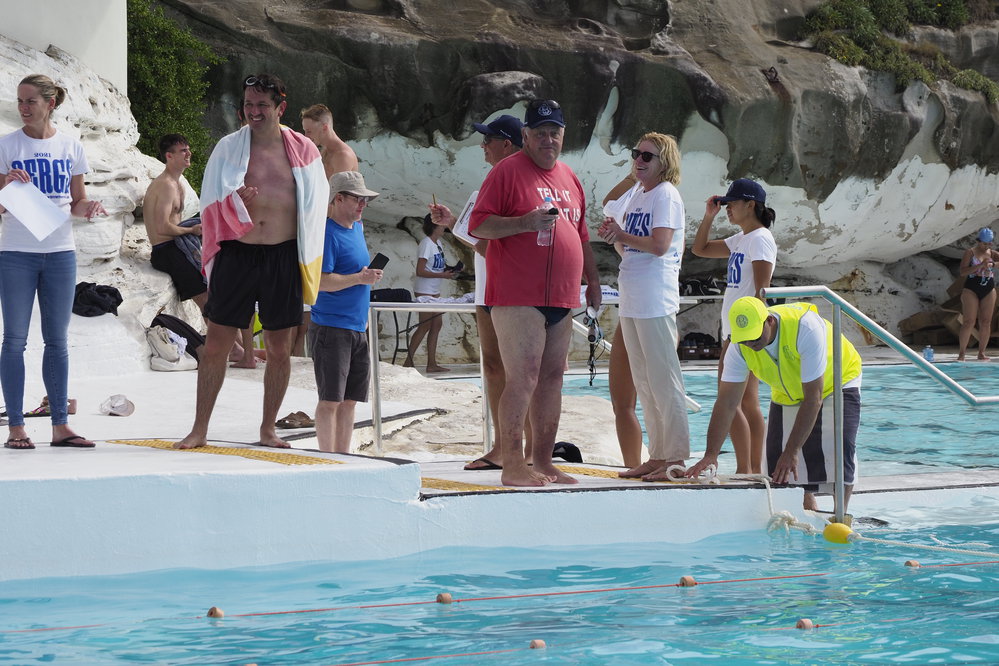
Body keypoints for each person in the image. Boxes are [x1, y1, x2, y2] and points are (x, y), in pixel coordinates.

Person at [174, 73, 328, 450]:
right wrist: (233, 205)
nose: (253, 112)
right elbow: (210, 204)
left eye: (261, 105)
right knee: (216, 345)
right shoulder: (228, 148)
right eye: (248, 105)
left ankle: (267, 429)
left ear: (281, 108)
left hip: (283, 255)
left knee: (279, 348)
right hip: (237, 253)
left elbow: (315, 207)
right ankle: (199, 429)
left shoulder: (305, 151)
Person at [469, 99, 601, 486]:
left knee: (552, 379)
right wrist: (524, 222)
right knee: (522, 378)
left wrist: (592, 281)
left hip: (561, 296)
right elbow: (479, 226)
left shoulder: (570, 178)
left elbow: (581, 234)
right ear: (525, 136)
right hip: (517, 294)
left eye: (554, 133)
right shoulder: (507, 172)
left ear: (563, 136)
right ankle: (512, 465)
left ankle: (542, 461)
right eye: (539, 133)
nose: (548, 140)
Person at [0, 74, 107, 450]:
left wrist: (89, 207)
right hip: (16, 252)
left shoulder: (70, 146)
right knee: (14, 340)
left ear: (51, 104)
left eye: (31, 101)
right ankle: (16, 426)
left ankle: (60, 426)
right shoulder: (6, 145)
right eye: (20, 101)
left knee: (57, 341)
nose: (24, 108)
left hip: (61, 251)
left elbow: (75, 201)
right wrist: (6, 185)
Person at [686, 298, 863, 511]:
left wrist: (792, 451)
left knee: (839, 446)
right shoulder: (739, 347)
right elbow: (727, 402)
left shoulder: (805, 329)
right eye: (744, 339)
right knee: (778, 468)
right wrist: (710, 454)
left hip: (838, 379)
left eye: (754, 336)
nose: (751, 344)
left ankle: (841, 515)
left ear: (769, 321)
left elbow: (813, 399)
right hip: (787, 390)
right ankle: (806, 512)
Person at [428, 114, 530, 470]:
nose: (482, 146)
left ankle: (523, 449)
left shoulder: (520, 184)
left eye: (489, 140)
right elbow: (485, 241)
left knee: (519, 372)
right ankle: (503, 447)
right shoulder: (490, 184)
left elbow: (498, 246)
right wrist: (454, 222)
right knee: (493, 367)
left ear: (507, 144)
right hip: (489, 292)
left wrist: (468, 230)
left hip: (510, 293)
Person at [598, 133, 690, 481]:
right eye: (636, 153)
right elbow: (609, 203)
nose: (639, 159)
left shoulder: (666, 194)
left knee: (664, 380)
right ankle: (658, 454)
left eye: (647, 157)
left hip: (654, 296)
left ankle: (676, 457)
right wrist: (633, 173)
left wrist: (620, 236)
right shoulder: (639, 192)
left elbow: (660, 245)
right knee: (645, 381)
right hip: (633, 296)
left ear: (664, 163)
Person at [691, 178, 777, 474]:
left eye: (732, 204)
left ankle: (746, 469)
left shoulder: (761, 239)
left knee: (731, 402)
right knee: (747, 402)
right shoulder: (742, 239)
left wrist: (756, 332)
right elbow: (700, 249)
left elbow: (762, 291)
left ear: (750, 205)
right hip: (735, 329)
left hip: (745, 331)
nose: (727, 209)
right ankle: (754, 468)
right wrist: (709, 216)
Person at [310, 171, 383, 453]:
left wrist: (366, 277)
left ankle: (344, 456)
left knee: (350, 399)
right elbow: (320, 282)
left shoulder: (357, 228)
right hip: (332, 326)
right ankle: (328, 458)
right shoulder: (328, 233)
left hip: (356, 326)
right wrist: (359, 278)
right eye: (357, 199)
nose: (362, 204)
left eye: (365, 199)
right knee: (330, 400)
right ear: (338, 199)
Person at [143, 134, 207, 310]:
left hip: (176, 246)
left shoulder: (178, 184)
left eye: (188, 150)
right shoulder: (166, 185)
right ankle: (225, 338)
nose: (189, 154)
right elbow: (162, 227)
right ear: (169, 156)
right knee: (207, 301)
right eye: (183, 151)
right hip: (165, 251)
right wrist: (191, 230)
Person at [403, 214, 458, 373]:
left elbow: (435, 266)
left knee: (436, 324)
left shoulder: (438, 243)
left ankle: (431, 363)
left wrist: (448, 271)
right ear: (435, 225)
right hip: (424, 290)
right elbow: (420, 271)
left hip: (434, 290)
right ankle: (408, 362)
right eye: (442, 224)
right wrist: (442, 275)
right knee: (424, 325)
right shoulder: (426, 243)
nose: (444, 227)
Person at [957, 227, 999, 362]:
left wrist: (993, 264)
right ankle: (962, 353)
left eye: (989, 244)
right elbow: (963, 272)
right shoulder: (970, 252)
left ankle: (981, 352)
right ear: (978, 241)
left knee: (986, 322)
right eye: (984, 243)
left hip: (988, 288)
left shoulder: (992, 253)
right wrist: (980, 265)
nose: (986, 246)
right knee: (969, 321)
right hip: (971, 289)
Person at [300, 104, 358, 179]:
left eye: (309, 131)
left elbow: (336, 190)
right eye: (305, 131)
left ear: (324, 128)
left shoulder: (343, 156)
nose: (305, 136)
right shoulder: (324, 151)